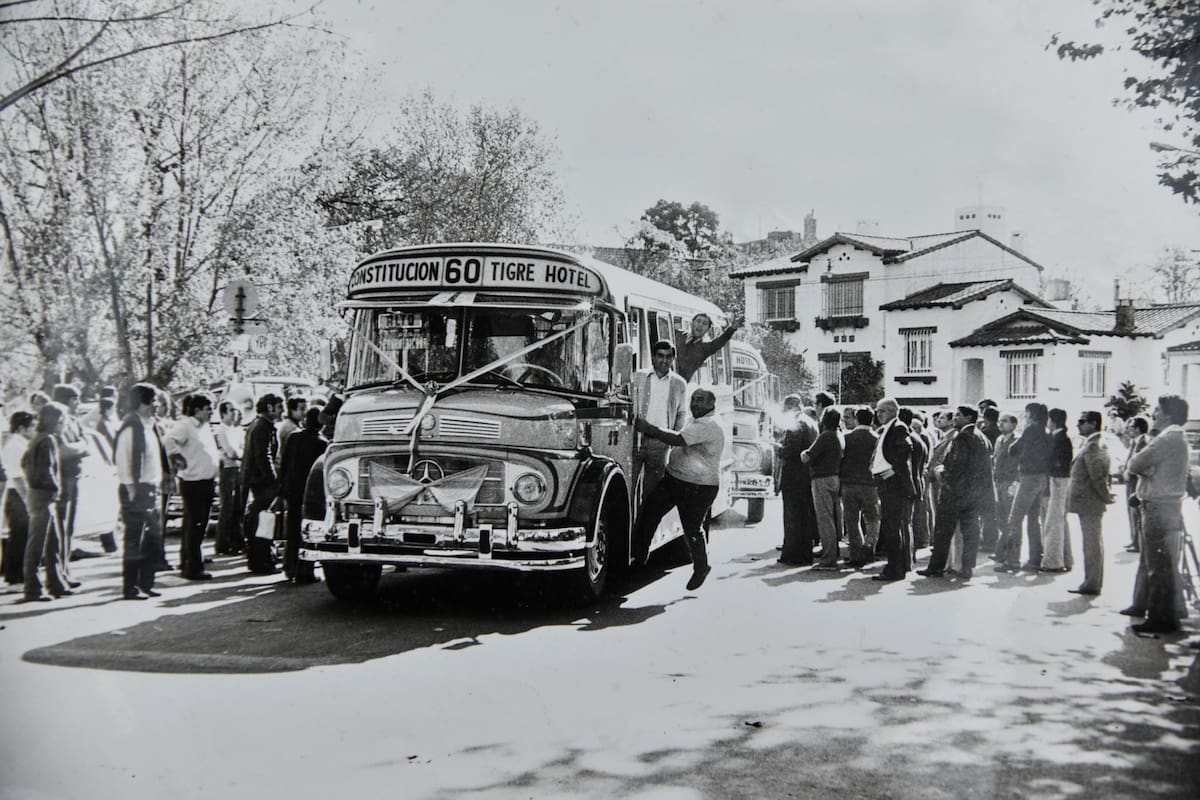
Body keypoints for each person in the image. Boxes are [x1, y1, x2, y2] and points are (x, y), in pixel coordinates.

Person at [632, 388, 725, 591]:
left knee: (692, 528)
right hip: (675, 479)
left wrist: (648, 428)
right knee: (650, 511)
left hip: (699, 486)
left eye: (700, 400)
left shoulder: (709, 425)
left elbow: (677, 439)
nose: (694, 404)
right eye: (693, 399)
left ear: (712, 404)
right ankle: (639, 558)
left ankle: (701, 567)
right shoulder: (696, 419)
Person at [1125, 394, 1191, 634]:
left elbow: (1135, 463)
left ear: (1168, 414)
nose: (1153, 414)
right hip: (1166, 504)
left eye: (1157, 409)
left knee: (1157, 564)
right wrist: (1150, 470)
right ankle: (1153, 608)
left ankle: (1160, 618)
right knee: (1157, 560)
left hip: (1158, 506)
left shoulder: (1166, 439)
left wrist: (1147, 470)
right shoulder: (1176, 437)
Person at [918, 405, 995, 580]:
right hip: (973, 494)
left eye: (958, 416)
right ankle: (967, 567)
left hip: (955, 493)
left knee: (943, 531)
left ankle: (936, 567)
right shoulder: (981, 437)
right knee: (970, 532)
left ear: (968, 418)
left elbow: (957, 465)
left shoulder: (963, 438)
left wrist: (940, 472)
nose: (955, 419)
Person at [114, 383, 168, 600]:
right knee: (134, 540)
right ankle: (130, 587)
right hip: (136, 489)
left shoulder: (150, 426)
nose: (157, 405)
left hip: (151, 488)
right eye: (154, 400)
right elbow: (123, 463)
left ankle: (147, 582)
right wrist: (132, 490)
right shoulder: (130, 428)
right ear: (144, 402)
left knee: (152, 539)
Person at [19, 402, 73, 602]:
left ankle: (56, 584)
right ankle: (32, 589)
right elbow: (46, 470)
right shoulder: (47, 440)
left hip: (37, 494)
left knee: (52, 542)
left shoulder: (36, 439)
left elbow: (24, 463)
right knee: (38, 543)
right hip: (44, 495)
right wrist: (55, 488)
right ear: (57, 421)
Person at [163, 393, 220, 580]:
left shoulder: (204, 427)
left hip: (205, 480)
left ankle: (189, 560)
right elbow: (168, 440)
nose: (211, 412)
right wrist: (176, 457)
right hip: (194, 482)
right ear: (197, 410)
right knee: (196, 525)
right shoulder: (186, 425)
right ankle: (193, 568)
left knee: (197, 525)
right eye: (208, 408)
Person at [997, 402, 1051, 573]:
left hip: (1028, 478)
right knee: (1034, 521)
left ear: (1031, 414)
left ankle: (1013, 560)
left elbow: (1014, 450)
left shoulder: (1030, 430)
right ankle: (1036, 558)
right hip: (1042, 478)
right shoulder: (1046, 432)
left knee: (1015, 519)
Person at [631, 340, 688, 498]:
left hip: (660, 443)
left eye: (668, 357)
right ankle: (629, 523)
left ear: (673, 359)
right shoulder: (638, 377)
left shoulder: (679, 384)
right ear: (653, 358)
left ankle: (645, 523)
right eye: (660, 356)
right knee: (628, 487)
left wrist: (673, 439)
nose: (664, 360)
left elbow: (681, 413)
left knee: (652, 492)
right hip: (635, 441)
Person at [278, 407, 328, 584]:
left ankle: (289, 567)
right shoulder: (322, 443)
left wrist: (282, 488)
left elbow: (283, 464)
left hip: (291, 491)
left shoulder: (294, 437)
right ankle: (304, 571)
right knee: (307, 533)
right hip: (309, 494)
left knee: (292, 531)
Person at [1066, 411, 1113, 596]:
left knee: (1091, 544)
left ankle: (1091, 583)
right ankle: (1092, 581)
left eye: (1082, 421)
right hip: (1089, 501)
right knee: (1092, 542)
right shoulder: (1093, 443)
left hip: (1089, 502)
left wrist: (1106, 496)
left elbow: (1097, 477)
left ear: (1093, 424)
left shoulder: (1093, 445)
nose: (1078, 425)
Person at [871, 397, 917, 582]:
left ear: (890, 411)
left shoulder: (898, 427)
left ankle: (894, 569)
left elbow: (906, 447)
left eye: (881, 411)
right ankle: (898, 566)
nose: (878, 414)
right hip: (886, 484)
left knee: (892, 527)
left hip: (893, 485)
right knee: (893, 526)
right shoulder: (889, 427)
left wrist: (894, 469)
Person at [241, 393, 284, 574]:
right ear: (269, 407)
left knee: (260, 519)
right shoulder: (262, 427)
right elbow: (263, 456)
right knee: (264, 521)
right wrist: (273, 481)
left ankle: (260, 558)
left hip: (257, 479)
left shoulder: (260, 425)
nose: (282, 411)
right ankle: (262, 561)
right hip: (261, 481)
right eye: (279, 407)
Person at [50, 383, 91, 568]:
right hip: (62, 477)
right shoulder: (55, 421)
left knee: (69, 527)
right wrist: (80, 446)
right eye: (76, 399)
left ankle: (65, 568)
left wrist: (79, 446)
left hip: (75, 476)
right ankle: (59, 569)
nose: (78, 403)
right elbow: (63, 450)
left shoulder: (74, 421)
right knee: (60, 525)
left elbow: (87, 443)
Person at [777, 394, 819, 565]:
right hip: (806, 474)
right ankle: (804, 552)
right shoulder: (810, 422)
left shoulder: (795, 423)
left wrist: (778, 448)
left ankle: (792, 554)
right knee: (805, 515)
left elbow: (791, 450)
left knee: (792, 515)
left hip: (794, 475)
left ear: (791, 407)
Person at [802, 406, 844, 570]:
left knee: (824, 518)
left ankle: (828, 558)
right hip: (835, 477)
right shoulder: (838, 435)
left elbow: (808, 456)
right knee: (834, 517)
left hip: (822, 478)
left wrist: (803, 453)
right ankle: (833, 550)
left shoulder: (825, 436)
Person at [839, 406, 880, 566]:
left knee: (852, 520)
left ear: (856, 419)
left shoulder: (847, 437)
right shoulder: (877, 438)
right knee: (872, 518)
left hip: (849, 483)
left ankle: (856, 555)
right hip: (870, 484)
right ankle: (869, 546)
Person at [1, 411, 35, 586]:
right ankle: (14, 578)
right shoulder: (15, 446)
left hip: (20, 493)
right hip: (17, 495)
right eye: (31, 427)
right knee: (19, 536)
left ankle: (17, 575)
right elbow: (17, 477)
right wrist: (28, 500)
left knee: (23, 534)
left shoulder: (21, 444)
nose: (34, 430)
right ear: (21, 428)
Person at [1039, 408, 1074, 573]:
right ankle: (1065, 558)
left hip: (1057, 481)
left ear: (1052, 421)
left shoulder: (1059, 439)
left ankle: (1053, 562)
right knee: (1058, 521)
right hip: (1058, 481)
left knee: (1054, 523)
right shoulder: (1060, 437)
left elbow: (1056, 463)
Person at [212, 401, 246, 555]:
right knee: (227, 507)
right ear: (223, 413)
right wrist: (238, 454)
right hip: (227, 470)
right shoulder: (220, 430)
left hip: (238, 469)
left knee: (238, 507)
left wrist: (238, 454)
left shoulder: (238, 430)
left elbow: (242, 449)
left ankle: (237, 542)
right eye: (231, 410)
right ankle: (222, 543)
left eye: (235, 410)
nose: (234, 413)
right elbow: (231, 452)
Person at [674, 313, 742, 382]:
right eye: (698, 321)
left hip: (678, 385)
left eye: (705, 323)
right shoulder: (677, 335)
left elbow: (720, 342)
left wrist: (732, 328)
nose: (700, 325)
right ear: (691, 323)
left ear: (708, 329)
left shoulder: (704, 349)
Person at [989, 413, 1021, 558]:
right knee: (1001, 518)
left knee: (1011, 519)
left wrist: (1015, 484)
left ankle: (1009, 554)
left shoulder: (1018, 441)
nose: (1001, 424)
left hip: (1010, 482)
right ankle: (1001, 550)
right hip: (998, 482)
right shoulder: (999, 440)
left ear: (1014, 425)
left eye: (1005, 421)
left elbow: (1020, 464)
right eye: (1000, 421)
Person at [1122, 415, 1151, 553]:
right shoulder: (1135, 442)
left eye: (1132, 427)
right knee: (1131, 512)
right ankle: (1134, 539)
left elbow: (1139, 463)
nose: (1129, 430)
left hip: (1136, 481)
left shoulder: (1143, 442)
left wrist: (1129, 471)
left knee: (1136, 512)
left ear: (1138, 429)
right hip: (1130, 481)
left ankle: (1138, 542)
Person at [275, 396, 307, 469]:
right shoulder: (291, 428)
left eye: (305, 409)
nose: (305, 412)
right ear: (292, 410)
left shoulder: (295, 424)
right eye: (302, 409)